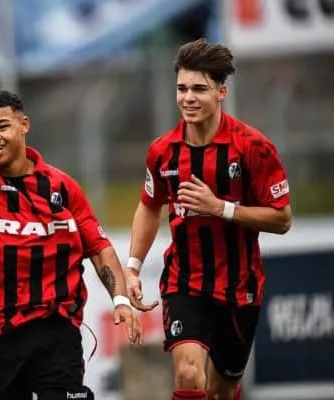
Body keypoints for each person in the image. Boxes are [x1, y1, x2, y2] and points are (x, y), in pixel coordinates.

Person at [0, 49, 146, 400]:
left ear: (24, 125)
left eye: (2, 126)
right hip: (1, 337)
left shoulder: (62, 187)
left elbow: (98, 247)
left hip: (58, 332)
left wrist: (120, 299)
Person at [124, 38, 292, 400]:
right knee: (187, 374)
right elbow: (149, 205)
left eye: (199, 89)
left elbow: (282, 218)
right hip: (184, 282)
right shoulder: (162, 151)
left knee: (221, 391)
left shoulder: (253, 148)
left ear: (221, 92)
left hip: (240, 288)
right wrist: (133, 266)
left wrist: (221, 208)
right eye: (182, 88)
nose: (188, 98)